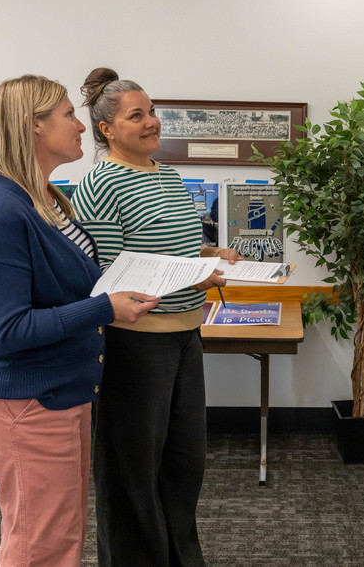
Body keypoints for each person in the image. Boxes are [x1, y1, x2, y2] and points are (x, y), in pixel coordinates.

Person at [0, 74, 159, 567]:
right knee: (38, 543)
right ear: (34, 125)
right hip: (27, 400)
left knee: (61, 536)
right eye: (68, 115)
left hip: (62, 392)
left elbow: (67, 287)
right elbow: (7, 331)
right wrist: (106, 308)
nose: (81, 126)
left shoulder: (44, 198)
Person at [72, 67, 241, 567]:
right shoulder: (100, 184)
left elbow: (174, 248)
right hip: (135, 343)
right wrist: (192, 278)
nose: (151, 122)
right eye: (136, 116)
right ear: (107, 129)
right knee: (133, 474)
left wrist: (210, 254)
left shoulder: (166, 174)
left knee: (184, 466)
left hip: (186, 335)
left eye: (152, 112)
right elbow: (109, 275)